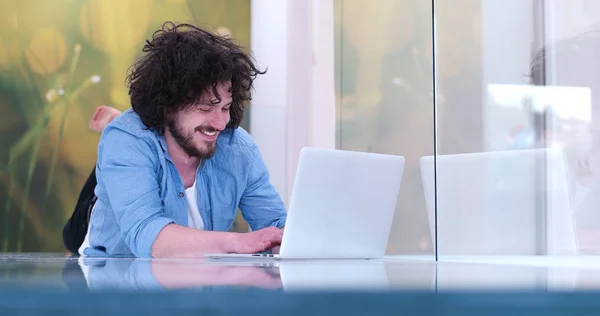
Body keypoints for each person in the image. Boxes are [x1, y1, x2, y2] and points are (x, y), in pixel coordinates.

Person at [78, 21, 287, 258]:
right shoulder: (125, 139)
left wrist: (289, 237)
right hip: (117, 278)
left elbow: (276, 226)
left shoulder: (239, 148)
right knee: (80, 222)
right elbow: (149, 236)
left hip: (194, 287)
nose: (220, 123)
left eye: (225, 108)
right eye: (206, 108)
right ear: (169, 105)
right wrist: (239, 242)